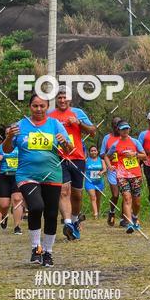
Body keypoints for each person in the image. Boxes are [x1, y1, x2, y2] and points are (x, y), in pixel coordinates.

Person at [2, 92, 71, 267]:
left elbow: (70, 150)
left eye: (42, 106)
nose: (39, 109)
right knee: (36, 206)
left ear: (48, 107)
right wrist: (9, 136)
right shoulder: (20, 125)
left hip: (52, 175)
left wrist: (65, 142)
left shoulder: (55, 124)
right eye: (35, 106)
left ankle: (48, 252)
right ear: (29, 107)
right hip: (27, 175)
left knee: (50, 214)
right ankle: (36, 248)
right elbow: (7, 149)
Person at [48, 86, 96, 241]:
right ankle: (67, 223)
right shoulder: (50, 115)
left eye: (65, 97)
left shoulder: (78, 113)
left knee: (77, 194)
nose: (62, 100)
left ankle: (75, 220)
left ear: (70, 99)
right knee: (63, 191)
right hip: (58, 157)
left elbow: (93, 131)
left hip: (77, 157)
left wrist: (79, 123)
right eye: (59, 97)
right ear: (55, 99)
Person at [106, 123, 146, 233]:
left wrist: (135, 154)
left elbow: (145, 156)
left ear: (129, 129)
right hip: (122, 175)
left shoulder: (135, 142)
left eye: (127, 129)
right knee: (127, 198)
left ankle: (134, 216)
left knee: (136, 202)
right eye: (123, 129)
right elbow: (106, 156)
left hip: (135, 174)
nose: (125, 131)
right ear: (119, 130)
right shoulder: (115, 144)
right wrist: (109, 166)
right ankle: (129, 223)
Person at [0, 143, 23, 233]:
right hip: (4, 176)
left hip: (18, 176)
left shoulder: (21, 144)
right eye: (7, 133)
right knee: (4, 205)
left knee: (17, 199)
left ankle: (17, 226)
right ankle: (4, 216)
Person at [100, 116, 124, 227]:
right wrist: (107, 164)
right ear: (112, 126)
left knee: (126, 194)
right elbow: (102, 153)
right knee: (115, 194)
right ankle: (112, 212)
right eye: (114, 125)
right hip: (112, 169)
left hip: (124, 169)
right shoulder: (107, 138)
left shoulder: (125, 137)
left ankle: (125, 217)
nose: (116, 127)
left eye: (118, 124)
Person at [84, 145, 106, 218]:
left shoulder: (101, 160)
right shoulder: (86, 160)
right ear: (89, 152)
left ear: (97, 152)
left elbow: (105, 169)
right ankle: (95, 214)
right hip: (89, 182)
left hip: (99, 182)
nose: (93, 152)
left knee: (98, 198)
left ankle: (97, 212)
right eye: (92, 151)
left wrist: (101, 172)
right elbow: (82, 169)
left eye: (95, 150)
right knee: (93, 197)